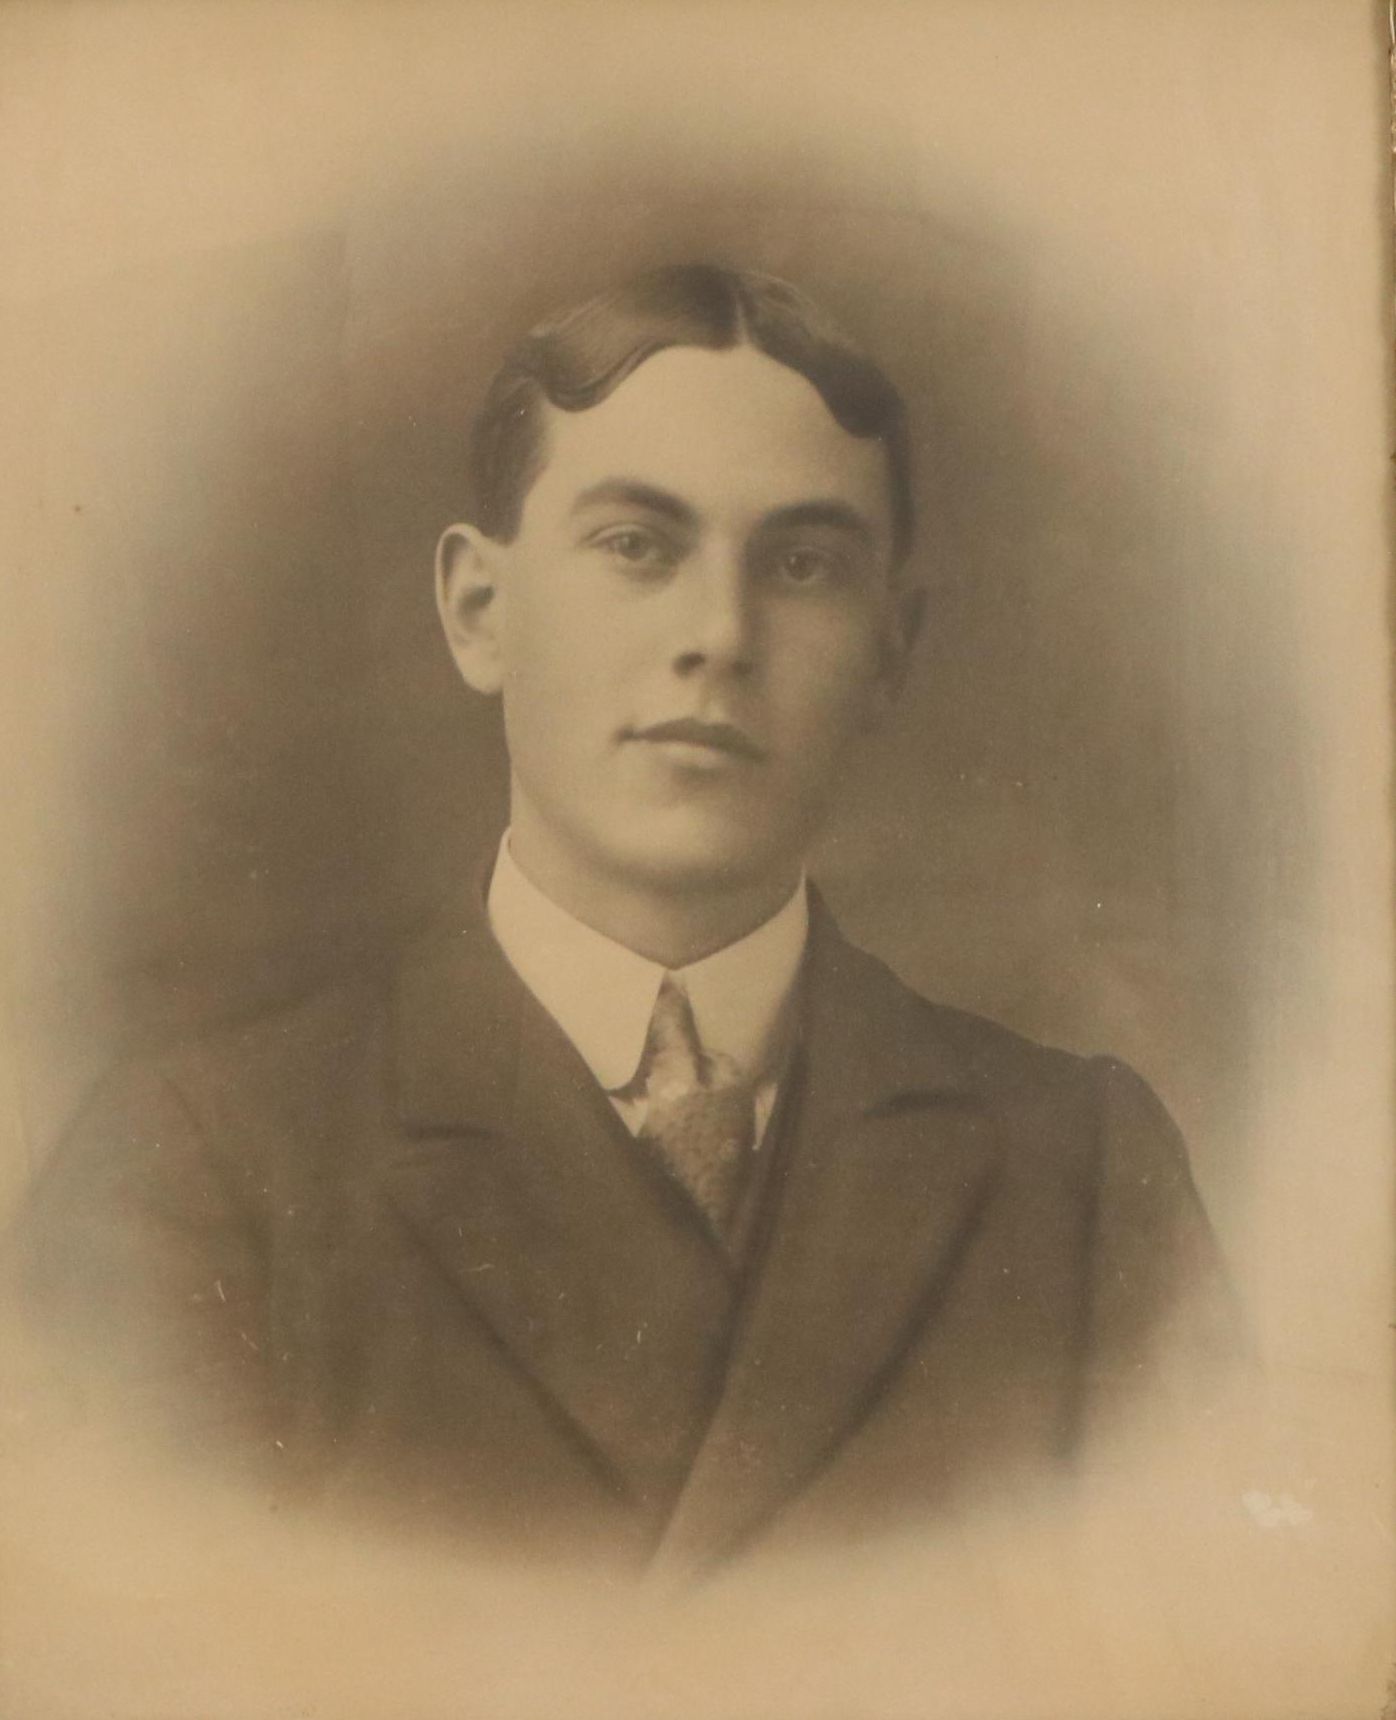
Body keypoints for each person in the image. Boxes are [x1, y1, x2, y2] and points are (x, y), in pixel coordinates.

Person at [7, 263, 1239, 1572]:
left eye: (804, 563)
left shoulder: (1090, 1178)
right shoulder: (201, 1170)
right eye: (638, 546)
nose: (720, 633)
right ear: (481, 613)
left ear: (891, 649)